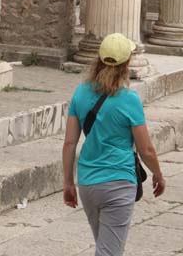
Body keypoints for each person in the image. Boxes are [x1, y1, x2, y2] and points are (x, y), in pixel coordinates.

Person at [62, 33, 165, 255]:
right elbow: (145, 149)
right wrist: (157, 174)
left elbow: (70, 143)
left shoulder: (80, 93)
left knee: (105, 246)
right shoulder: (129, 100)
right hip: (118, 183)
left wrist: (68, 182)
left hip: (88, 183)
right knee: (109, 251)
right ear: (127, 64)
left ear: (98, 60)